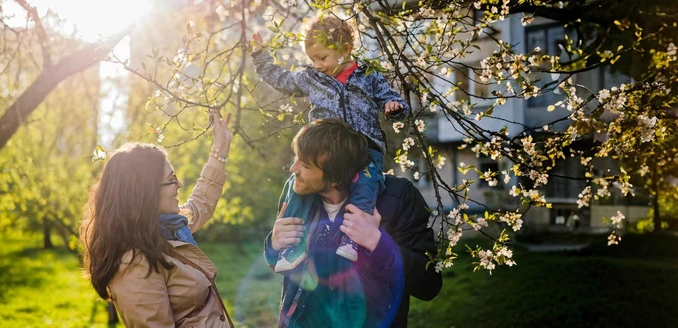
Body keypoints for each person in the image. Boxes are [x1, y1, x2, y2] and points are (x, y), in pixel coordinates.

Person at [251, 15, 409, 272]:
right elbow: (281, 79)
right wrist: (260, 56)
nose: (317, 65)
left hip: (364, 147)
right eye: (312, 59)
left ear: (345, 50)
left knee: (367, 184)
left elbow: (390, 99)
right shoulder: (312, 78)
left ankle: (352, 237)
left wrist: (395, 108)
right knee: (298, 185)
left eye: (322, 58)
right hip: (324, 148)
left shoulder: (368, 75)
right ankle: (293, 245)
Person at [265, 119, 442, 328]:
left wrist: (377, 243)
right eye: (296, 158)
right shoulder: (299, 197)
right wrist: (273, 245)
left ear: (335, 179)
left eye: (304, 164)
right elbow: (282, 266)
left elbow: (429, 284)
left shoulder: (398, 197)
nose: (293, 168)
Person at [81, 110, 235, 327]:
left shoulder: (167, 228)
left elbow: (200, 205)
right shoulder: (134, 264)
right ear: (145, 192)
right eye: (171, 180)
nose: (179, 185)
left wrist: (220, 150)